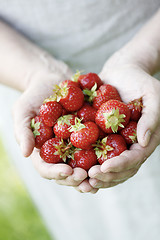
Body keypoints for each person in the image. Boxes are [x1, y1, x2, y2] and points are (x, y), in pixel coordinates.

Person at [0, 1, 160, 239]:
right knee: (87, 222)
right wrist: (34, 73)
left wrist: (142, 57)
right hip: (16, 63)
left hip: (150, 41)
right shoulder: (51, 112)